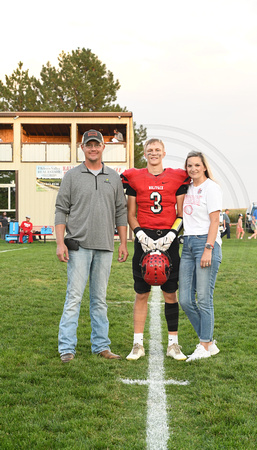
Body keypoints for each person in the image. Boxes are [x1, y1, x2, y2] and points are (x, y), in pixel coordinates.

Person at [55, 129, 128, 363]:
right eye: (89, 145)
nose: (93, 148)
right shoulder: (72, 176)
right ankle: (67, 347)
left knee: (99, 300)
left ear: (103, 147)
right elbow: (61, 210)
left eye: (97, 145)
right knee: (74, 298)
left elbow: (121, 212)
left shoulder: (114, 177)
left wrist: (124, 243)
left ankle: (101, 346)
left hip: (105, 246)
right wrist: (59, 243)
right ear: (83, 148)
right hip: (79, 246)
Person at [121, 138, 190, 361]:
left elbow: (181, 213)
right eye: (150, 150)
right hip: (144, 237)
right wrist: (139, 233)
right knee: (141, 293)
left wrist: (172, 234)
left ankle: (173, 344)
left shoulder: (177, 176)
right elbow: (130, 213)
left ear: (164, 152)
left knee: (171, 293)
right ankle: (137, 344)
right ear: (144, 153)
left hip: (168, 238)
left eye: (157, 150)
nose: (154, 153)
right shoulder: (134, 177)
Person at [179, 151, 222, 362]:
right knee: (185, 299)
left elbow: (215, 221)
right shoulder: (185, 189)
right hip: (186, 245)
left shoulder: (212, 188)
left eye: (197, 165)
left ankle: (204, 344)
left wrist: (208, 248)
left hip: (205, 243)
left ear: (204, 167)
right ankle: (209, 343)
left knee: (204, 298)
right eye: (189, 166)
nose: (193, 169)